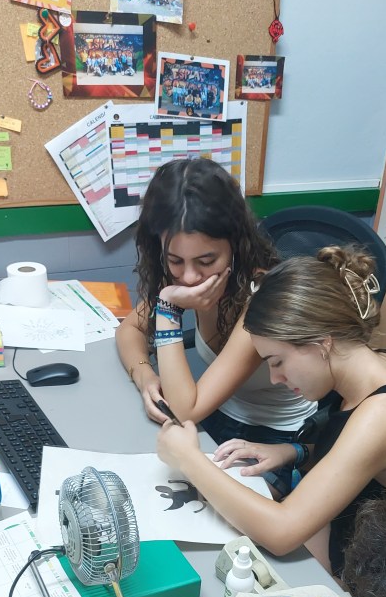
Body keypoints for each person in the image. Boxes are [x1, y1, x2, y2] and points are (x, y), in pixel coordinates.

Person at [156, 247, 386, 576]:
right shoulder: (383, 365)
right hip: (344, 539)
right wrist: (293, 452)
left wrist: (188, 459)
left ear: (322, 343)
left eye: (277, 362)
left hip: (373, 581)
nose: (275, 378)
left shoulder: (383, 415)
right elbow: (360, 460)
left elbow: (281, 532)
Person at [116, 159, 317, 468]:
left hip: (274, 437)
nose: (190, 277)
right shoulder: (179, 275)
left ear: (235, 245)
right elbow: (129, 330)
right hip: (217, 417)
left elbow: (185, 410)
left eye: (206, 261)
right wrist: (145, 376)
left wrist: (168, 308)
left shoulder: (261, 294)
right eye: (175, 260)